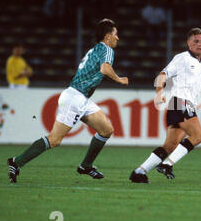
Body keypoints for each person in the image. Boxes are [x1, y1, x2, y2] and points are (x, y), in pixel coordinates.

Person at [7, 19, 129, 183]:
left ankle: (86, 166)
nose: (118, 38)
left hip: (81, 98)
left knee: (106, 129)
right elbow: (105, 69)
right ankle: (17, 162)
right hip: (75, 98)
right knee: (55, 140)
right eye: (115, 34)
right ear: (107, 37)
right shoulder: (107, 49)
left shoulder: (96, 49)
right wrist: (120, 79)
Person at [129, 28, 201, 183]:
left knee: (170, 145)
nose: (199, 44)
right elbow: (163, 74)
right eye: (196, 41)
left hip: (182, 105)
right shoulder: (182, 58)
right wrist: (158, 92)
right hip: (180, 102)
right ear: (188, 43)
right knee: (198, 136)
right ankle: (167, 164)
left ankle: (139, 172)